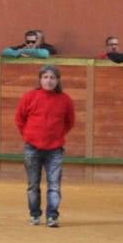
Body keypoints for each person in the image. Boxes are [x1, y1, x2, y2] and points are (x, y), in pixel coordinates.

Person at [15, 64, 75, 228]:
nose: (49, 81)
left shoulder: (65, 100)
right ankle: (35, 214)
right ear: (40, 79)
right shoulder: (30, 97)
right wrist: (28, 135)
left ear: (58, 80)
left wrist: (58, 135)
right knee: (33, 184)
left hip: (55, 149)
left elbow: (70, 122)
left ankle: (52, 216)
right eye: (46, 77)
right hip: (32, 147)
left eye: (52, 78)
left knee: (54, 185)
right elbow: (20, 119)